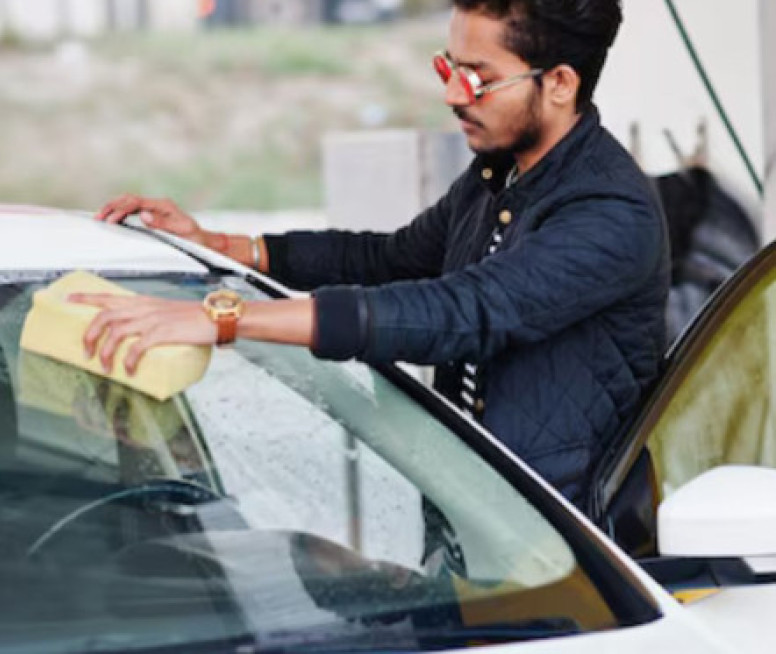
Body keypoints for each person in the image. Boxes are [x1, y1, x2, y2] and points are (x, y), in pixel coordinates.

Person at [71, 0, 669, 512]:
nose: (451, 95)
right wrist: (232, 248)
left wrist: (228, 317)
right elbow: (390, 260)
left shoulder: (612, 212)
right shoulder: (502, 173)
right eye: (447, 67)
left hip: (572, 556)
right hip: (484, 520)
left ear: (559, 83)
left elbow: (464, 312)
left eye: (477, 78)